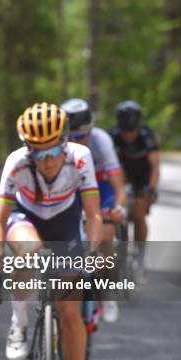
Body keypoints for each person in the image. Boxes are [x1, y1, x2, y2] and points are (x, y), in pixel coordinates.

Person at [0, 103, 102, 360]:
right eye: (38, 154)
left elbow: (93, 215)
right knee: (29, 251)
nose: (47, 162)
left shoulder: (80, 158)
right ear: (28, 150)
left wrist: (92, 251)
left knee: (71, 314)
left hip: (65, 223)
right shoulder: (16, 163)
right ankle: (18, 322)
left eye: (52, 153)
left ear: (65, 143)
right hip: (27, 218)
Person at [62, 98, 126, 322]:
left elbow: (117, 181)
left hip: (101, 188)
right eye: (71, 138)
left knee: (106, 236)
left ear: (91, 130)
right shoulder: (58, 145)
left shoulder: (102, 141)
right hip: (73, 188)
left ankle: (107, 292)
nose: (76, 142)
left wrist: (118, 207)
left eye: (81, 137)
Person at [109, 101, 160, 270]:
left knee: (139, 214)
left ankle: (141, 253)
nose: (128, 136)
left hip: (142, 176)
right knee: (118, 211)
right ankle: (122, 248)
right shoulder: (113, 135)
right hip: (123, 174)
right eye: (125, 132)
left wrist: (151, 189)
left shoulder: (147, 135)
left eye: (131, 132)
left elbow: (155, 166)